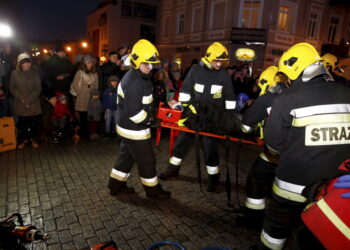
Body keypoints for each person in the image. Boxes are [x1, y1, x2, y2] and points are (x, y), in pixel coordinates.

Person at [259, 43, 350, 249]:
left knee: (275, 230)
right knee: (313, 236)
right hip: (331, 192)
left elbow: (273, 145)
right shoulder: (347, 95)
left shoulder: (286, 99)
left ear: (295, 71)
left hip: (291, 187)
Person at [159, 42, 236, 192]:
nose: (219, 64)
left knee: (210, 148)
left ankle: (213, 178)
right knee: (181, 143)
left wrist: (230, 118)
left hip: (212, 119)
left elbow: (230, 98)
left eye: (222, 62)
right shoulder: (195, 71)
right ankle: (172, 169)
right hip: (194, 116)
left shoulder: (223, 75)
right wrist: (186, 110)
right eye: (217, 61)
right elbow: (186, 90)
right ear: (208, 58)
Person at [107, 39, 171, 200]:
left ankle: (115, 185)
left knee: (126, 158)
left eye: (152, 65)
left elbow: (145, 102)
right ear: (136, 62)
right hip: (134, 129)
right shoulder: (134, 81)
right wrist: (152, 120)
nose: (150, 68)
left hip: (129, 127)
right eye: (146, 64)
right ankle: (152, 191)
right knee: (147, 160)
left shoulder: (140, 76)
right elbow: (135, 113)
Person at [235, 66, 287, 231]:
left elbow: (247, 122)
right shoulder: (292, 94)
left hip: (274, 153)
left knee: (255, 180)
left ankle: (254, 218)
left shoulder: (267, 97)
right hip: (294, 154)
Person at [9, 53, 42, 149]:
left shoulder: (35, 73)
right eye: (24, 62)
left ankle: (33, 138)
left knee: (33, 123)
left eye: (28, 62)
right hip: (20, 103)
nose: (27, 64)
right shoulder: (14, 74)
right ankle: (23, 139)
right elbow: (12, 88)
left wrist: (29, 100)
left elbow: (38, 89)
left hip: (33, 103)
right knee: (22, 123)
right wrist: (21, 99)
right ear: (20, 64)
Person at [70, 55, 99, 138]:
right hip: (82, 97)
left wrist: (95, 94)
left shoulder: (95, 74)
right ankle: (83, 133)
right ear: (85, 63)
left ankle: (88, 132)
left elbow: (96, 85)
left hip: (91, 97)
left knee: (89, 116)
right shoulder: (80, 72)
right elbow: (75, 84)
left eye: (91, 63)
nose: (90, 64)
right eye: (88, 63)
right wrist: (80, 93)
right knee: (83, 116)